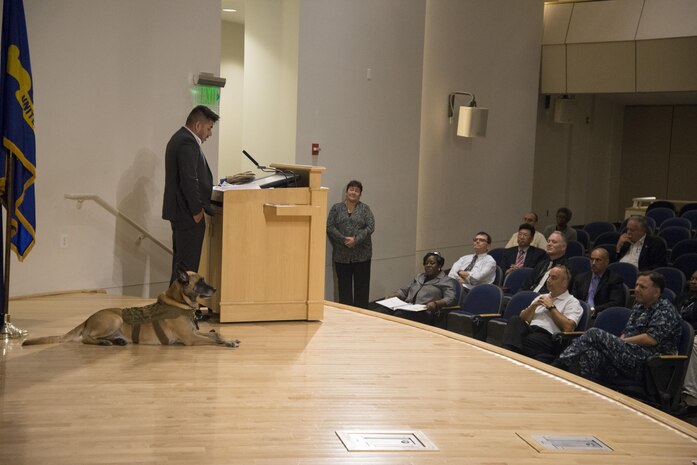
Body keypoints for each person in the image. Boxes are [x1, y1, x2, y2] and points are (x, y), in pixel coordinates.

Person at [555, 271, 682, 383]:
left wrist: (620, 343)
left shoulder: (665, 310)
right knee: (591, 354)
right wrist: (618, 344)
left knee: (594, 333)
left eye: (642, 287)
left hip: (649, 363)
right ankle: (580, 392)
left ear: (656, 292)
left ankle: (557, 365)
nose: (636, 289)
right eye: (636, 285)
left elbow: (651, 339)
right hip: (629, 356)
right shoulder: (639, 306)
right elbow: (627, 332)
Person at [162, 105, 218, 284]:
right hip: (187, 214)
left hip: (181, 212)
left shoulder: (179, 138)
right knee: (187, 267)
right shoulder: (187, 142)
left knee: (181, 266)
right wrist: (196, 211)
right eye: (209, 128)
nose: (210, 134)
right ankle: (180, 309)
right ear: (197, 126)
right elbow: (189, 179)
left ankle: (174, 308)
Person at [502, 265, 583, 360]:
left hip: (549, 338)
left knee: (514, 339)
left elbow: (568, 328)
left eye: (553, 278)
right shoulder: (541, 297)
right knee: (514, 320)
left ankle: (506, 356)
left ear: (564, 283)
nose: (548, 280)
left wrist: (551, 307)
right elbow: (522, 319)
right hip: (530, 330)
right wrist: (533, 306)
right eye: (549, 276)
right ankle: (508, 356)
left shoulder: (572, 302)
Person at [326, 180, 375, 308]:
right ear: (346, 192)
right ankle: (346, 315)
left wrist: (356, 239)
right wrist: (343, 239)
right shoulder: (336, 208)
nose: (353, 192)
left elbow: (370, 227)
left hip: (362, 255)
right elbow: (330, 227)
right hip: (342, 256)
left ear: (360, 194)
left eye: (357, 190)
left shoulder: (365, 209)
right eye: (351, 189)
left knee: (362, 288)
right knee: (344, 288)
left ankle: (362, 314)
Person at [383, 252, 458, 326]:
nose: (428, 265)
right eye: (426, 263)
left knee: (399, 315)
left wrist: (435, 304)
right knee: (382, 310)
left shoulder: (446, 280)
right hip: (408, 306)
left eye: (432, 263)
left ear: (439, 265)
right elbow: (406, 290)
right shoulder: (420, 277)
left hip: (425, 311)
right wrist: (395, 295)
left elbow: (451, 298)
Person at [571, 247, 626, 319]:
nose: (593, 263)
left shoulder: (614, 279)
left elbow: (616, 303)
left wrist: (593, 310)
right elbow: (573, 299)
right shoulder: (580, 278)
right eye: (592, 259)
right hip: (579, 314)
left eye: (598, 260)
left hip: (600, 316)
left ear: (606, 262)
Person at [678, 271, 697, 407]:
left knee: (693, 344)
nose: (694, 282)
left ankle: (690, 394)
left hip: (694, 332)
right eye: (692, 278)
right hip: (678, 329)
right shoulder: (682, 297)